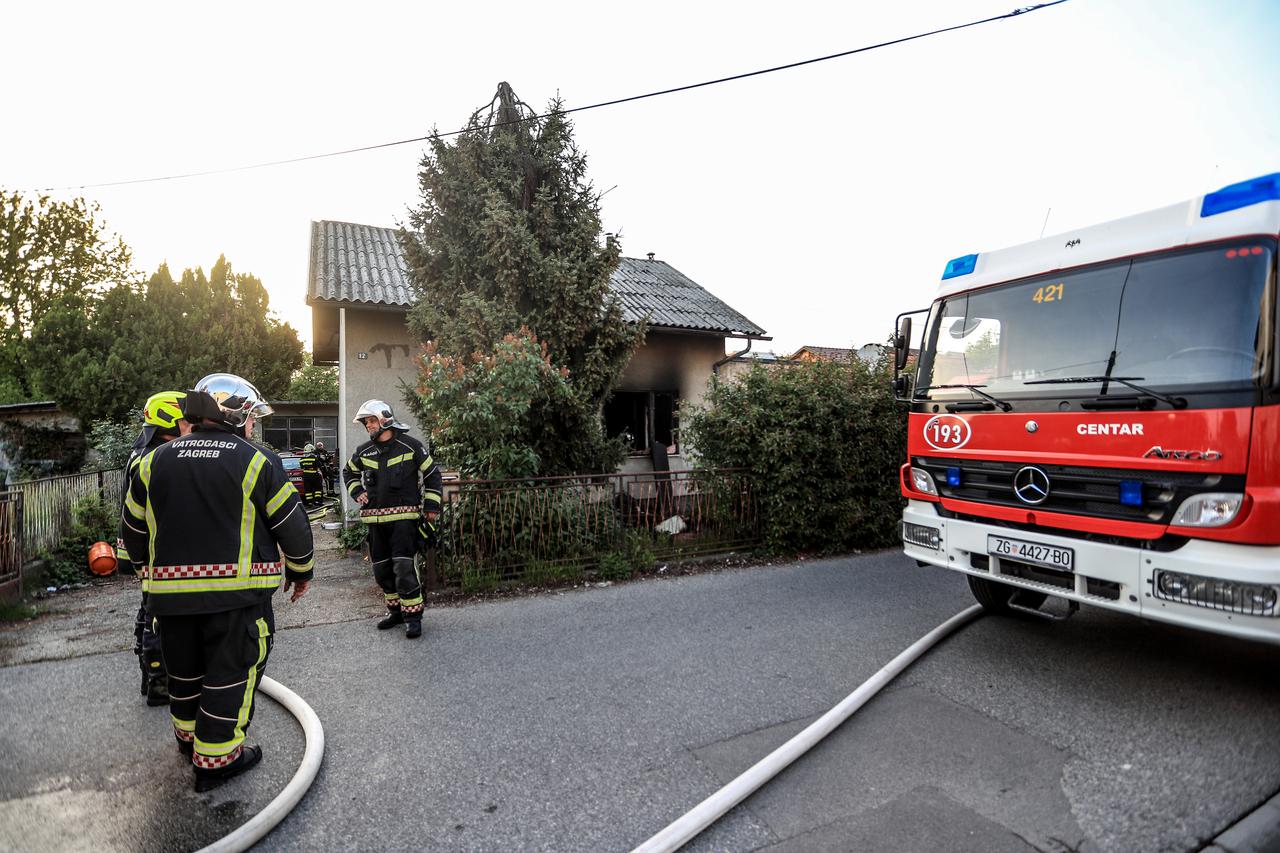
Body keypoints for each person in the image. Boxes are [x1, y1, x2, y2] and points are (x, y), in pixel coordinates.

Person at [120, 373, 314, 792]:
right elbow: (291, 524)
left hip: (169, 603)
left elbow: (133, 529)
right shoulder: (255, 460)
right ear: (238, 417)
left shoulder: (154, 461)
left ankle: (189, 743)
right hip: (236, 599)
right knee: (231, 672)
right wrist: (301, 571)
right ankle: (217, 760)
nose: (253, 427)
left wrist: (143, 570)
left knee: (184, 675)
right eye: (252, 419)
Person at [342, 399, 441, 639]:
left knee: (404, 568)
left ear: (385, 419)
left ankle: (413, 617)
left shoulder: (411, 446)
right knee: (382, 571)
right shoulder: (363, 451)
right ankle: (395, 612)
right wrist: (357, 492)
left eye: (372, 421)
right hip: (375, 523)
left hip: (404, 522)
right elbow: (348, 472)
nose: (368, 426)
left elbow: (432, 475)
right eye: (366, 423)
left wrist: (431, 508)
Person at [116, 391, 190, 707]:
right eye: (186, 419)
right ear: (168, 421)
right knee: (156, 617)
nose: (192, 425)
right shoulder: (154, 458)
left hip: (146, 549)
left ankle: (153, 677)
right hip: (156, 551)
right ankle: (160, 683)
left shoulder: (147, 451)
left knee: (150, 610)